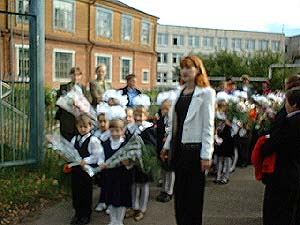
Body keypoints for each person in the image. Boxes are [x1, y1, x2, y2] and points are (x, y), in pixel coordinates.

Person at [161, 55, 215, 225]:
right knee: (180, 196)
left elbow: (208, 126)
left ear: (198, 70)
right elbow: (175, 123)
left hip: (194, 150)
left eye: (189, 67)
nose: (184, 71)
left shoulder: (206, 93)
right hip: (178, 149)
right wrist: (167, 145)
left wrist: (206, 154)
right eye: (183, 67)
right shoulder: (179, 92)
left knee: (193, 198)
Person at [261, 87, 300, 225]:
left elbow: (271, 146)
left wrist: (263, 147)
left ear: (293, 104)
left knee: (278, 213)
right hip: (295, 173)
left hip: (282, 174)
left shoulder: (288, 123)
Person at [98, 119, 134, 225]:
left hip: (122, 177)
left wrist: (127, 162)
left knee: (121, 199)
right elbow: (101, 157)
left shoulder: (126, 145)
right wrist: (101, 163)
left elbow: (131, 162)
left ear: (122, 131)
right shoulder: (105, 144)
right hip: (110, 176)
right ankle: (112, 220)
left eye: (117, 131)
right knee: (111, 199)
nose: (114, 133)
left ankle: (119, 221)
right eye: (112, 130)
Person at [70, 114, 103, 225]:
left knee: (85, 193)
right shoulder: (75, 139)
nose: (82, 129)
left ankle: (85, 215)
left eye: (85, 126)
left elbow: (97, 155)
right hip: (76, 170)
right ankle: (77, 213)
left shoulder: (93, 140)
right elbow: (71, 152)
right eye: (80, 127)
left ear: (90, 126)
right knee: (76, 192)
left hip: (85, 170)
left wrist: (86, 160)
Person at [126, 105, 156, 221]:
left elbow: (151, 145)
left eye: (141, 115)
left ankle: (142, 208)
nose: (138, 118)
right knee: (134, 184)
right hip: (133, 162)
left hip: (144, 161)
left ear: (146, 116)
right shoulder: (130, 128)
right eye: (136, 115)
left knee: (144, 184)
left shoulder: (148, 128)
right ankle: (135, 206)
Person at [55, 67, 87, 141]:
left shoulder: (83, 88)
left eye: (78, 75)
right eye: (73, 75)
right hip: (66, 118)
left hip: (78, 119)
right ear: (70, 75)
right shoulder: (64, 87)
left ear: (80, 76)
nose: (75, 77)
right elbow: (58, 101)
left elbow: (87, 102)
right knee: (66, 140)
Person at [94, 113, 110, 212]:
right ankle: (102, 201)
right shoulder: (96, 134)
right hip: (100, 162)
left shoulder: (110, 134)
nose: (102, 124)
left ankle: (109, 202)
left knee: (109, 183)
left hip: (109, 162)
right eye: (100, 121)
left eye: (105, 121)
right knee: (102, 182)